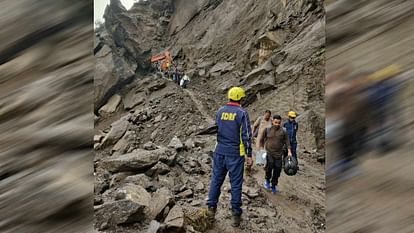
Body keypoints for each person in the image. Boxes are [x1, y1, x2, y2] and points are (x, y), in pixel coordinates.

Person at [207, 86, 253, 227]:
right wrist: (249, 154)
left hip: (219, 151)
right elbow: (246, 136)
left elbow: (216, 128)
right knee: (236, 184)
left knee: (216, 180)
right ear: (240, 98)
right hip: (235, 154)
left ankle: (210, 210)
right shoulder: (242, 113)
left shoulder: (220, 111)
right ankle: (235, 215)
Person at [260, 115, 292, 194]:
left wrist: (289, 151)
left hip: (279, 154)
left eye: (278, 123)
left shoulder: (283, 131)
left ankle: (273, 185)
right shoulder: (267, 130)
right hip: (269, 152)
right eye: (275, 122)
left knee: (277, 169)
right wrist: (261, 150)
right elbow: (261, 140)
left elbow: (287, 142)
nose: (277, 124)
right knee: (269, 166)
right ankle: (267, 180)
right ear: (272, 121)